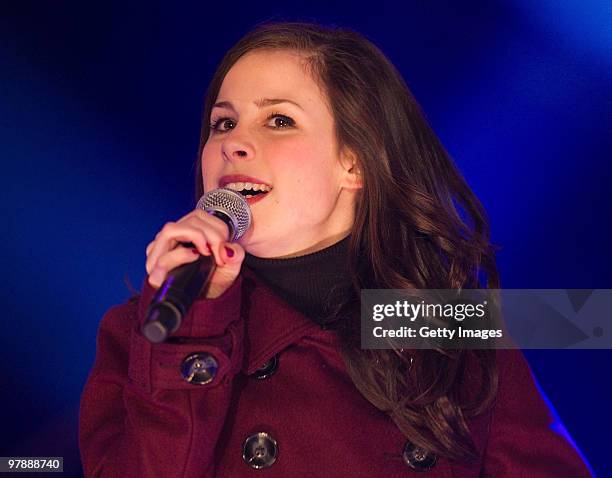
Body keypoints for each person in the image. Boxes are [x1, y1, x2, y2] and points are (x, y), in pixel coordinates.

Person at [79, 21, 592, 477]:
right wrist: (194, 330)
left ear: (355, 162)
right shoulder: (153, 329)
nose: (233, 143)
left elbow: (584, 321)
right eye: (223, 123)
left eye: (278, 120)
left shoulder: (436, 316)